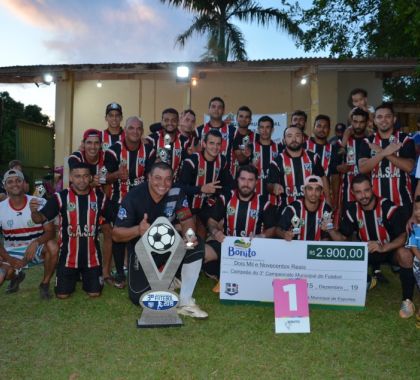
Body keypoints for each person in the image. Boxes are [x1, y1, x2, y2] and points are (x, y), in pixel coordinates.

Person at [112, 162, 208, 319]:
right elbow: (116, 234)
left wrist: (190, 236)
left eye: (167, 179)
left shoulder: (177, 192)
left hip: (168, 247)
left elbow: (186, 219)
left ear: (172, 180)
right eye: (157, 178)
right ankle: (168, 280)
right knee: (140, 298)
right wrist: (138, 230)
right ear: (149, 178)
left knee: (195, 245)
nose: (163, 184)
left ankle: (185, 303)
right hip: (142, 252)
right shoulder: (134, 196)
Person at [325, 174, 416, 319]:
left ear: (372, 189)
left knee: (406, 255)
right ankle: (365, 280)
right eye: (359, 192)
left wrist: (384, 247)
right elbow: (342, 238)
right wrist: (329, 229)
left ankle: (407, 301)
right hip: (367, 251)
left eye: (366, 190)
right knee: (342, 252)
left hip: (388, 250)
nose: (364, 195)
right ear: (353, 194)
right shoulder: (352, 211)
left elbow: (403, 236)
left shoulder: (388, 207)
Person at [30, 163, 106, 299]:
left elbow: (117, 216)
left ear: (90, 178)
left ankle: (85, 276)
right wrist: (34, 211)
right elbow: (39, 219)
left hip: (92, 258)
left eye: (85, 176)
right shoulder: (60, 197)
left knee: (94, 293)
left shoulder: (99, 198)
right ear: (71, 177)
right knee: (62, 295)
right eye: (77, 176)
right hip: (68, 257)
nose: (81, 180)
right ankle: (73, 275)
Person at [104, 116, 155, 288]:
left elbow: (151, 177)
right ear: (125, 130)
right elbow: (104, 178)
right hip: (118, 199)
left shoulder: (149, 150)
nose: (135, 131)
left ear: (142, 131)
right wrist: (117, 175)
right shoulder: (113, 151)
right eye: (131, 128)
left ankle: (140, 268)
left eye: (138, 128)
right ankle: (119, 271)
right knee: (119, 235)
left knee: (141, 232)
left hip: (141, 200)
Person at [204, 165, 277, 283]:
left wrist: (261, 236)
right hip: (227, 245)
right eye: (243, 179)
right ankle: (225, 273)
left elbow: (272, 229)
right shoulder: (226, 197)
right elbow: (211, 221)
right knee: (202, 253)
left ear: (256, 182)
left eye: (250, 180)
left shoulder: (264, 203)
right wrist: (215, 232)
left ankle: (229, 275)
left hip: (252, 250)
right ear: (237, 180)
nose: (246, 184)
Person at [0, 169, 58, 298]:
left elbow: (51, 232)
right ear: (5, 186)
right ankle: (15, 275)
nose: (14, 184)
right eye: (10, 182)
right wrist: (10, 259)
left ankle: (45, 284)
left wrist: (36, 242)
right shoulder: (1, 208)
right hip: (12, 251)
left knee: (53, 246)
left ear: (24, 183)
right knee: (3, 275)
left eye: (18, 180)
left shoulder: (39, 202)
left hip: (36, 249)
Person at [177, 130, 233, 237]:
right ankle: (178, 228)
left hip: (206, 208)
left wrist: (222, 212)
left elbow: (228, 186)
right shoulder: (192, 161)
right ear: (204, 144)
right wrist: (201, 189)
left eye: (218, 144)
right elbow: (180, 187)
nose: (215, 147)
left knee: (203, 236)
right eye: (211, 143)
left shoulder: (223, 161)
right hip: (187, 206)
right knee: (191, 235)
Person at [267, 125, 330, 208]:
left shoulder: (313, 158)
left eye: (297, 135)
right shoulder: (276, 162)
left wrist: (328, 200)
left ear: (303, 139)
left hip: (312, 209)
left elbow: (322, 177)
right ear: (284, 140)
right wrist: (274, 187)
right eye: (289, 136)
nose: (294, 139)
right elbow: (269, 185)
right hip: (286, 209)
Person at [276, 176, 333, 241]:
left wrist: (330, 230)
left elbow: (327, 238)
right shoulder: (293, 208)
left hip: (316, 249)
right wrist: (285, 234)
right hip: (295, 248)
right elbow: (278, 230)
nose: (313, 193)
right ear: (304, 190)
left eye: (317, 189)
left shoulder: (326, 210)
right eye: (310, 189)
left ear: (321, 191)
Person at [336, 108, 370, 208]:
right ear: (351, 122)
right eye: (355, 122)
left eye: (361, 122)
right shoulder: (342, 142)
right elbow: (333, 163)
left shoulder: (371, 140)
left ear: (367, 123)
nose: (358, 125)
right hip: (348, 193)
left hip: (368, 192)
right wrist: (339, 167)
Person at [305, 114, 340, 208]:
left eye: (325, 127)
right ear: (313, 128)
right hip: (304, 194)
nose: (322, 129)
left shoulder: (334, 149)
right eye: (319, 126)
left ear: (329, 130)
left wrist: (335, 199)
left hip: (325, 196)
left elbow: (335, 176)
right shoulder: (304, 145)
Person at [195, 97, 237, 172]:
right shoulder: (199, 130)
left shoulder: (233, 131)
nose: (216, 109)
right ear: (209, 110)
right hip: (203, 174)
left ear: (223, 111)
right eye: (213, 106)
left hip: (226, 175)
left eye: (219, 107)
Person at [250, 116, 279, 198]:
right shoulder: (250, 147)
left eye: (267, 127)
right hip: (254, 197)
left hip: (274, 198)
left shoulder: (279, 148)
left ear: (272, 129)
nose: (265, 130)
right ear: (258, 129)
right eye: (262, 127)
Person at [232, 106, 255, 177]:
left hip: (250, 177)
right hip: (232, 176)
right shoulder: (231, 135)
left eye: (247, 117)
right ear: (237, 118)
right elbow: (239, 158)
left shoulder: (256, 137)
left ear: (250, 120)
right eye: (241, 116)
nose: (243, 119)